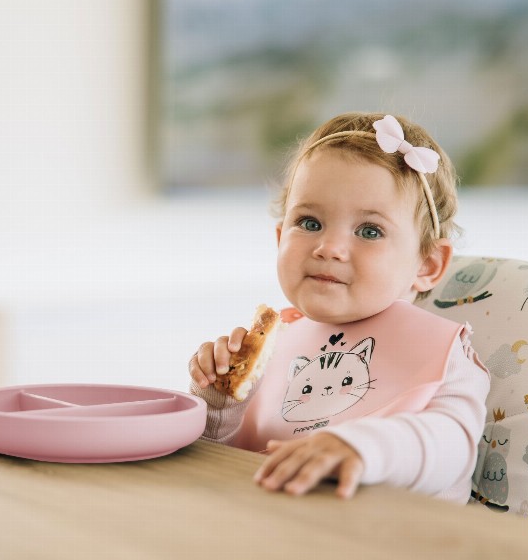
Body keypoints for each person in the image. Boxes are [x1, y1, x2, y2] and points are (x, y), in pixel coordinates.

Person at [188, 112, 489, 502]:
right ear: (280, 238)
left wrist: (363, 448)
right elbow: (220, 468)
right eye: (309, 222)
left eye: (369, 231)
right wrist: (218, 406)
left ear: (427, 264)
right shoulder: (272, 347)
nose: (328, 248)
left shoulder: (443, 353)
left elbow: (452, 447)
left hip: (389, 547)